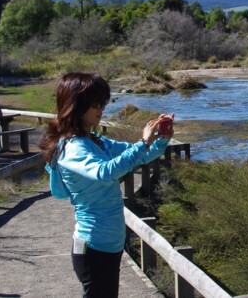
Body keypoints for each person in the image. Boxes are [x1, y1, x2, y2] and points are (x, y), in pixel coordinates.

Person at [42, 72, 174, 298]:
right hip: (93, 247)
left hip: (107, 245)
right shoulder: (73, 148)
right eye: (97, 103)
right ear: (76, 105)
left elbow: (139, 156)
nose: (102, 108)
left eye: (104, 102)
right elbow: (104, 173)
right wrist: (143, 141)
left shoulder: (95, 141)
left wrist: (161, 139)